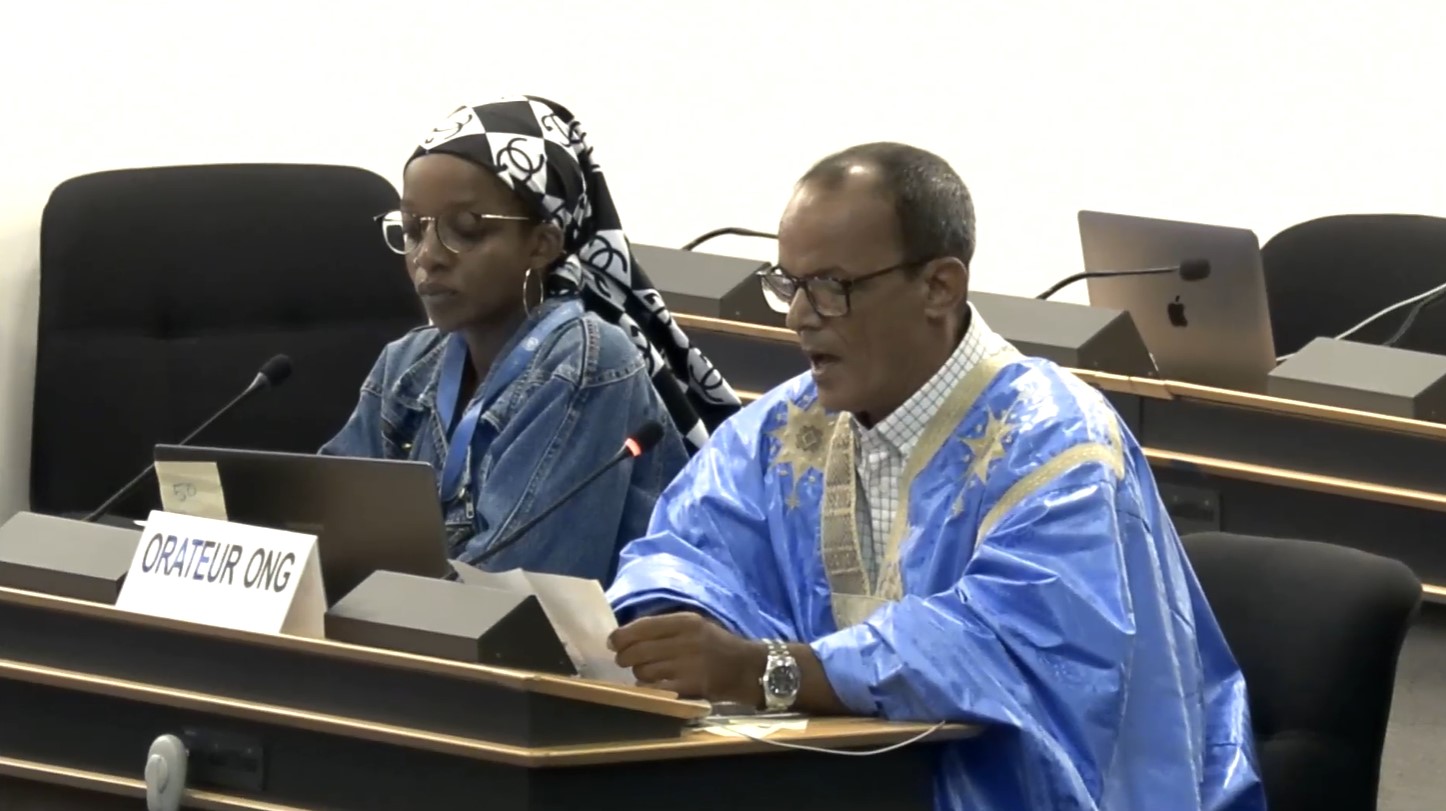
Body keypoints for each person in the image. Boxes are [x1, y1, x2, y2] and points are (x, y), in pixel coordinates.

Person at [605, 143, 1266, 810]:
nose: (799, 316)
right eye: (789, 284)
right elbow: (682, 557)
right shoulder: (781, 430)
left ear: (939, 286)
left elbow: (1009, 645)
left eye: (831, 287)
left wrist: (767, 670)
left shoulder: (1058, 441)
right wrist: (673, 633)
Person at [322, 96, 740, 584]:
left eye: (465, 230)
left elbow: (514, 587)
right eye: (413, 229)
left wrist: (365, 584)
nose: (427, 257)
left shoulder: (586, 363)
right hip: (413, 623)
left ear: (542, 245)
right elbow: (324, 524)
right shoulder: (408, 362)